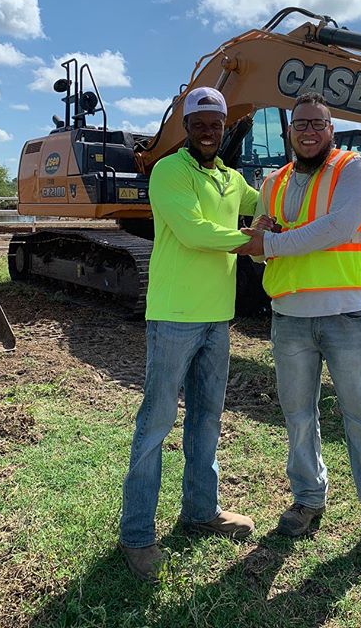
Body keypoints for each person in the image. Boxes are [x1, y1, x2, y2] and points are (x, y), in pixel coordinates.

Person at [237, 92, 361, 568]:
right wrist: (263, 238)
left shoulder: (353, 169)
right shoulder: (273, 181)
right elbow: (257, 244)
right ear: (290, 132)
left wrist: (272, 239)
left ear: (330, 129)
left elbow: (338, 227)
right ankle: (308, 500)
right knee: (297, 416)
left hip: (343, 315)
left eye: (317, 123)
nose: (308, 131)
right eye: (300, 124)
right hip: (289, 317)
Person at [119, 87, 262, 581]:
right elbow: (194, 231)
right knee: (156, 424)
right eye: (199, 122)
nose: (208, 130)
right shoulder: (169, 171)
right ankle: (137, 535)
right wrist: (257, 240)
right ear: (186, 125)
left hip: (217, 317)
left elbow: (269, 200)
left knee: (207, 419)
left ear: (225, 127)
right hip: (175, 315)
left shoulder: (229, 177)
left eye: (216, 123)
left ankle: (201, 511)